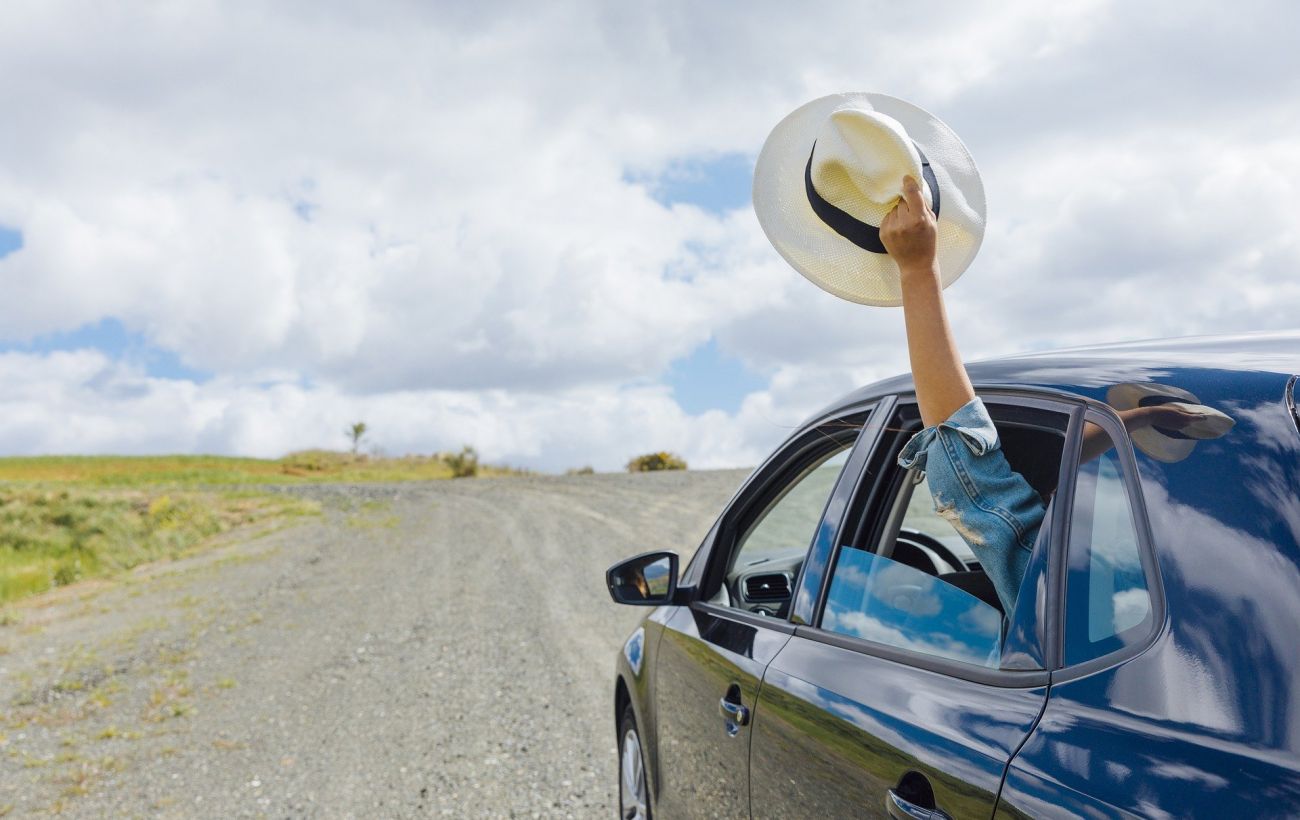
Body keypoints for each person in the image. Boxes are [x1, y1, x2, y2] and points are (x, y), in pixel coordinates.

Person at [879, 175, 1203, 614]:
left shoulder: (1055, 588)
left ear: (1038, 494)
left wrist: (917, 271)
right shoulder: (1173, 577)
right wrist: (1142, 417)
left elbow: (967, 470)